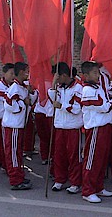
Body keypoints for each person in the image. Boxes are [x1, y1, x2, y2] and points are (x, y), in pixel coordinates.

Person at [80, 61, 112, 203]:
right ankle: (88, 190)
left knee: (101, 159)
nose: (97, 75)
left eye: (98, 73)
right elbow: (105, 107)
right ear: (86, 75)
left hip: (105, 126)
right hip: (95, 128)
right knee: (92, 160)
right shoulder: (88, 90)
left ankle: (98, 186)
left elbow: (108, 101)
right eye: (94, 73)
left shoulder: (99, 88)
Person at [48, 62, 84, 194]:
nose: (56, 79)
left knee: (74, 155)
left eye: (57, 76)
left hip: (73, 127)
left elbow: (76, 108)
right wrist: (53, 84)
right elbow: (52, 98)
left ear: (64, 75)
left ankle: (75, 182)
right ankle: (59, 179)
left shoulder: (78, 88)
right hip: (60, 126)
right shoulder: (59, 87)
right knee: (59, 155)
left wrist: (61, 106)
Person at [2, 62, 37, 190]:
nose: (29, 73)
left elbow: (32, 101)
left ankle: (19, 175)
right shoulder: (14, 88)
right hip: (13, 126)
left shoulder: (22, 87)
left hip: (20, 125)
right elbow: (10, 105)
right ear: (21, 72)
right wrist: (23, 102)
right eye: (27, 71)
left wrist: (31, 94)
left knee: (17, 152)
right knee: (13, 153)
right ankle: (15, 179)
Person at [0, 63, 16, 171]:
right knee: (5, 143)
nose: (13, 76)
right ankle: (6, 165)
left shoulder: (13, 85)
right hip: (2, 117)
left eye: (14, 73)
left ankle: (11, 164)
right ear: (4, 73)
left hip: (12, 118)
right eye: (11, 73)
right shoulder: (0, 86)